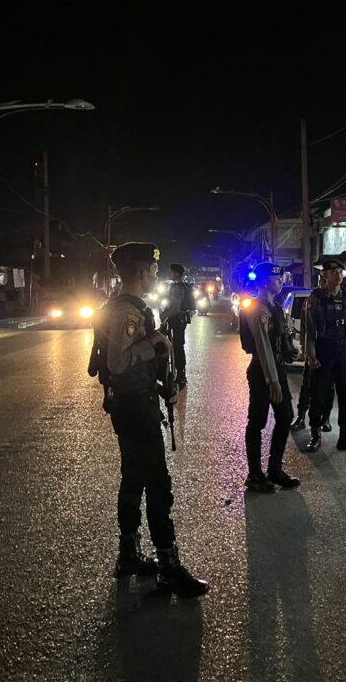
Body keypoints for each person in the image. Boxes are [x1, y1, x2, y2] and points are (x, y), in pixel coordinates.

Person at [89, 242, 208, 597]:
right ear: (141, 272)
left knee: (133, 478)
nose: (156, 276)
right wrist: (153, 343)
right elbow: (118, 362)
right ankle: (168, 564)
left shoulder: (126, 307)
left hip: (132, 403)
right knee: (157, 483)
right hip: (135, 409)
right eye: (154, 271)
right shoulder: (127, 312)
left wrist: (160, 385)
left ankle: (129, 554)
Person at [240, 262, 301, 493]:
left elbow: (277, 341)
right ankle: (255, 475)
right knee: (257, 421)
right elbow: (263, 347)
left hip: (276, 368)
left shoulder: (275, 307)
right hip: (262, 371)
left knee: (285, 417)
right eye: (276, 278)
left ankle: (274, 470)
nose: (281, 281)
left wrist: (290, 350)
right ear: (265, 281)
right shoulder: (258, 309)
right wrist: (272, 380)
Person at [302, 259, 346, 453]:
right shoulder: (316, 298)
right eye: (333, 272)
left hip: (343, 351)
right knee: (318, 395)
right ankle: (315, 435)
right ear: (324, 275)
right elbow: (310, 330)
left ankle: (344, 436)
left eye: (340, 272)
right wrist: (311, 356)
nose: (338, 276)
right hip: (324, 350)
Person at [291, 272, 333, 434]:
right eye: (322, 280)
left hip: (329, 351)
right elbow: (305, 328)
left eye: (326, 280)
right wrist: (305, 349)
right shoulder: (311, 300)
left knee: (329, 387)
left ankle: (326, 419)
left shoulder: (336, 300)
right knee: (307, 386)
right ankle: (301, 417)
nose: (324, 283)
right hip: (313, 349)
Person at [160, 263, 192, 388]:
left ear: (176, 273)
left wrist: (165, 316)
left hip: (176, 320)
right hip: (181, 320)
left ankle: (180, 374)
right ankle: (179, 372)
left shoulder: (176, 288)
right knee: (178, 345)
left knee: (177, 346)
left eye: (171, 272)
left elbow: (175, 308)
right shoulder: (182, 286)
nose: (169, 274)